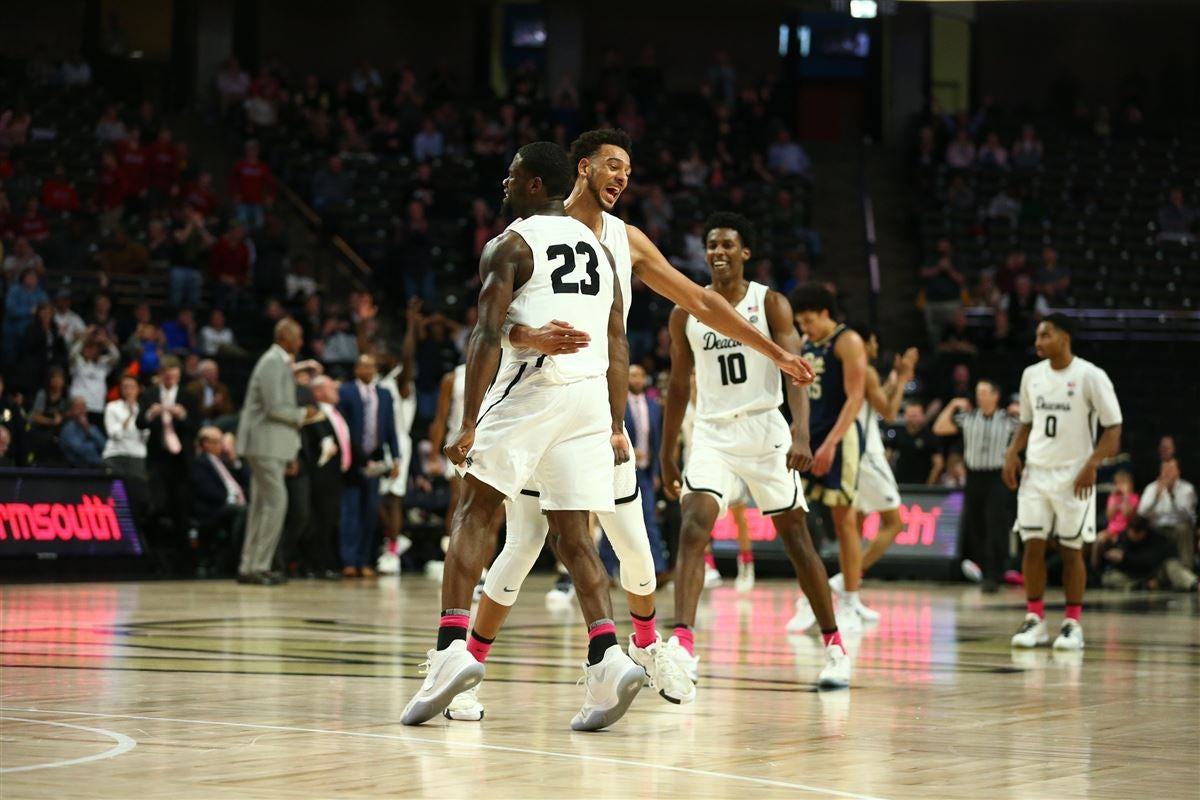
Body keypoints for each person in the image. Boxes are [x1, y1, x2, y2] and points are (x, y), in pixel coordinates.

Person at [439, 130, 814, 721]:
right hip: (535, 404)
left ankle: (642, 647)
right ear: (581, 169)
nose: (622, 179)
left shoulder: (627, 239)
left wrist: (772, 350)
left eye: (629, 172)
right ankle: (472, 676)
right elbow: (494, 324)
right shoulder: (537, 226)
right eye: (613, 167)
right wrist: (530, 338)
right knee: (521, 544)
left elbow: (701, 301)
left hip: (596, 413)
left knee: (636, 554)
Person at [401, 141, 641, 731]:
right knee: (575, 537)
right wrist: (613, 420)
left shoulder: (509, 243)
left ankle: (451, 648)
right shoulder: (602, 250)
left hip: (533, 390)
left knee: (474, 512)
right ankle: (607, 657)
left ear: (535, 184)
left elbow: (484, 335)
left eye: (513, 176)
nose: (504, 184)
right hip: (588, 399)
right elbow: (616, 343)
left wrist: (466, 422)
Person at [657, 212, 849, 690]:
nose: (718, 252)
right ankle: (683, 644)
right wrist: (665, 452)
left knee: (798, 540)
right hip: (713, 434)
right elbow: (679, 385)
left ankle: (834, 645)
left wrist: (800, 433)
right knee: (694, 526)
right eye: (711, 246)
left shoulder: (773, 304)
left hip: (766, 430)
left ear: (744, 253)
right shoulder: (685, 311)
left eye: (727, 245)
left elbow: (796, 370)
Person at [1004, 314, 1123, 651]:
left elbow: (1113, 428)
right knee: (1032, 545)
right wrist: (1012, 453)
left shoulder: (1090, 375)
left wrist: (1093, 464)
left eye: (1046, 335)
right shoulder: (1031, 375)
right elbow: (1027, 422)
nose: (1038, 341)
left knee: (1073, 550)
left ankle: (1072, 623)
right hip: (1036, 473)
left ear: (1065, 337)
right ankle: (1035, 619)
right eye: (1038, 335)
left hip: (1074, 475)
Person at [791, 285, 867, 634]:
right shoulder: (806, 343)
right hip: (811, 436)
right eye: (800, 322)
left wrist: (830, 445)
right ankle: (810, 598)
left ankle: (851, 600)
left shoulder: (847, 341)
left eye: (808, 320)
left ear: (825, 313)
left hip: (840, 438)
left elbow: (855, 398)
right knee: (799, 521)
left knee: (844, 521)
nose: (804, 328)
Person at [828, 330, 915, 615]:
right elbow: (888, 412)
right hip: (867, 454)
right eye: (874, 340)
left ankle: (851, 597)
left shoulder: (844, 368)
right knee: (894, 523)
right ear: (864, 342)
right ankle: (846, 579)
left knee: (855, 527)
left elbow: (872, 401)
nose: (877, 345)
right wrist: (902, 381)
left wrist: (891, 381)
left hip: (852, 451)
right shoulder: (865, 370)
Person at [236, 320, 314, 585]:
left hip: (268, 445)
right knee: (275, 503)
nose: (301, 342)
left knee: (260, 506)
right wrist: (304, 414)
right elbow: (274, 407)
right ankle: (258, 565)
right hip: (264, 444)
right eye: (298, 337)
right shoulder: (271, 361)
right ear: (284, 337)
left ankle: (251, 565)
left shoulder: (278, 362)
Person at [934, 379, 1019, 592]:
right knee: (977, 524)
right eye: (978, 392)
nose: (980, 396)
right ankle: (985, 570)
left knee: (995, 523)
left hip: (996, 477)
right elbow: (939, 427)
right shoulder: (967, 418)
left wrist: (1023, 410)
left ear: (995, 396)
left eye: (984, 392)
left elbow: (1029, 430)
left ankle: (995, 572)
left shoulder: (1008, 419)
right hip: (974, 477)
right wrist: (953, 404)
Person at [337, 353, 401, 577]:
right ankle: (349, 561)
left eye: (371, 367)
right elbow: (343, 428)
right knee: (350, 511)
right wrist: (355, 456)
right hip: (352, 459)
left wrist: (396, 458)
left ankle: (364, 561)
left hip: (375, 457)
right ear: (356, 369)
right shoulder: (346, 392)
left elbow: (391, 430)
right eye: (363, 367)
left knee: (370, 512)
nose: (367, 371)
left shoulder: (384, 395)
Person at [138, 356, 199, 558]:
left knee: (181, 508)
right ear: (161, 374)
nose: (171, 379)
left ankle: (183, 557)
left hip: (181, 460)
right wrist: (150, 414)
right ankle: (155, 554)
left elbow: (196, 426)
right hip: (158, 458)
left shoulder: (187, 396)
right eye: (167, 375)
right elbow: (140, 423)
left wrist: (182, 416)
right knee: (158, 504)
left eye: (174, 376)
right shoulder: (150, 394)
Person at [376, 301, 420, 575]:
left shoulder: (401, 380)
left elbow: (408, 355)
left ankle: (393, 547)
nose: (376, 355)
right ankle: (395, 539)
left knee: (392, 498)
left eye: (381, 353)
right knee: (379, 497)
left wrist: (412, 324)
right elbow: (362, 354)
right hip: (383, 443)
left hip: (398, 443)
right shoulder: (382, 380)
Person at [299, 376, 350, 579]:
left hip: (338, 476)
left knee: (331, 520)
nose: (336, 388)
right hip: (320, 476)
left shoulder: (336, 413)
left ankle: (328, 562)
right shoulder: (314, 414)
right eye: (330, 386)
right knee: (321, 521)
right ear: (318, 392)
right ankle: (317, 564)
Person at [192, 425, 248, 577]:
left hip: (234, 505)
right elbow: (205, 490)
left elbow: (246, 481)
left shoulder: (225, 462)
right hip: (215, 508)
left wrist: (234, 459)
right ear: (206, 444)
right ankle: (238, 558)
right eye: (217, 441)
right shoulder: (199, 462)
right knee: (242, 512)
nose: (221, 445)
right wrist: (231, 499)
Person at [1100, 515, 1199, 592]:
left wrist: (1125, 557)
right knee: (1109, 578)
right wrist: (1114, 557)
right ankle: (1143, 585)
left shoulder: (1156, 538)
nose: (1133, 537)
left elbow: (1150, 561)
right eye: (1131, 532)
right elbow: (1118, 563)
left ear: (1143, 532)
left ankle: (1194, 584)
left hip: (1155, 572)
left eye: (1137, 534)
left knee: (1172, 565)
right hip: (1134, 576)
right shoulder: (1123, 537)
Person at [1137, 458, 1197, 566]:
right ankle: (1153, 572)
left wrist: (1172, 495)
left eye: (1170, 469)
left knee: (1183, 529)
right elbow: (1141, 513)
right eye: (1164, 469)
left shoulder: (1187, 489)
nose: (1167, 473)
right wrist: (1155, 497)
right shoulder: (1152, 488)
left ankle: (1186, 568)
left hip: (1178, 526)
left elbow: (1188, 517)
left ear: (1178, 472)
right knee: (1146, 531)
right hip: (1156, 527)